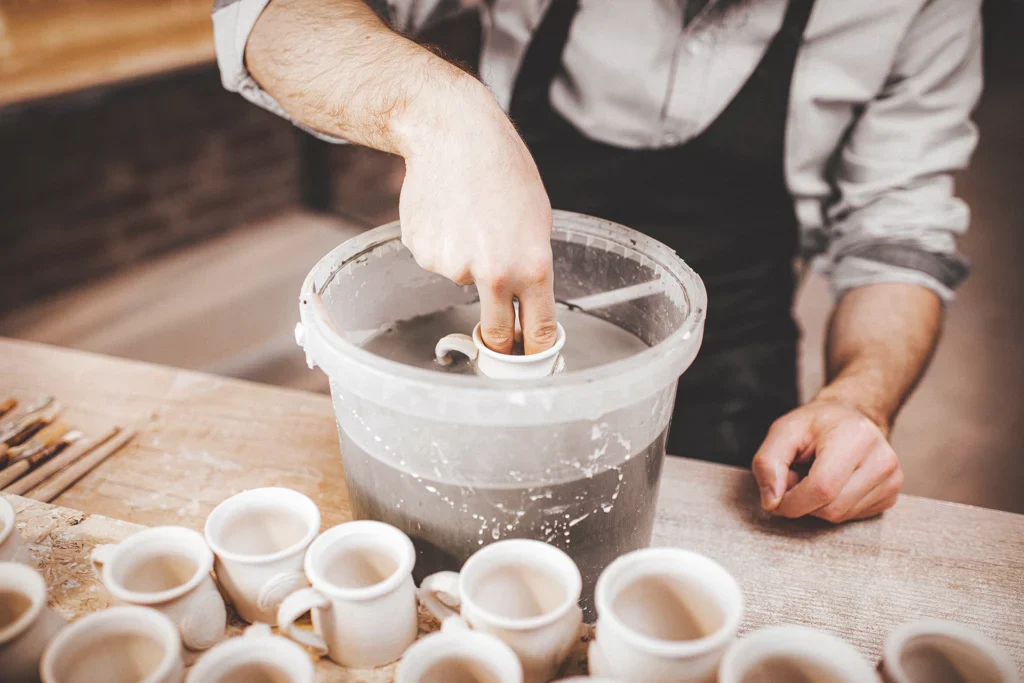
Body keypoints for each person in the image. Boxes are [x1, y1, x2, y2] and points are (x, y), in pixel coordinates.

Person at [212, 0, 982, 524]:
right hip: (482, 381)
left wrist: (861, 400)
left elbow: (898, 233)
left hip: (724, 386)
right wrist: (438, 112)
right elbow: (268, 16)